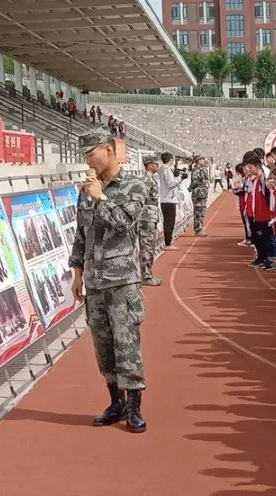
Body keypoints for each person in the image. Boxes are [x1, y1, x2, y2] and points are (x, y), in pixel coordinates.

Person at [68, 127, 148, 434]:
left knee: (127, 347)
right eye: (85, 155)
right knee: (104, 348)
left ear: (109, 150)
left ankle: (134, 407)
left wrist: (101, 199)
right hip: (94, 283)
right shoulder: (86, 190)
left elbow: (124, 225)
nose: (88, 160)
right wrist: (77, 273)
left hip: (121, 283)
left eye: (91, 153)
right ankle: (115, 402)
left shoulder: (134, 185)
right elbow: (80, 234)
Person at [139, 155, 163, 286]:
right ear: (149, 165)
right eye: (155, 164)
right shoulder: (146, 179)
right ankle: (146, 276)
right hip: (146, 217)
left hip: (150, 215)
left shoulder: (150, 179)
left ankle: (146, 274)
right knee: (147, 247)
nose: (157, 166)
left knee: (148, 246)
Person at [158, 152, 185, 250]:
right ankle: (168, 244)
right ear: (170, 160)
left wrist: (176, 177)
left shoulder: (161, 169)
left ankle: (168, 241)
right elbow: (170, 183)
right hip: (169, 199)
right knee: (169, 222)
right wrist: (180, 178)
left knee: (167, 221)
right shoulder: (167, 170)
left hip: (164, 198)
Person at [188, 157, 210, 236]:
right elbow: (195, 182)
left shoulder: (203, 169)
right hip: (198, 194)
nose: (204, 161)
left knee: (202, 212)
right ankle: (198, 230)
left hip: (203, 193)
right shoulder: (196, 170)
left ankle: (200, 228)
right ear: (198, 161)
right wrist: (191, 188)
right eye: (202, 159)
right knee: (198, 212)